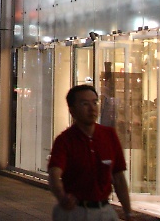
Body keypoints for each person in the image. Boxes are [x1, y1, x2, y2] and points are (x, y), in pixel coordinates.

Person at [48, 84, 133, 220]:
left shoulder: (109, 135)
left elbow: (119, 177)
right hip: (75, 211)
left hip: (104, 210)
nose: (92, 108)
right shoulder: (65, 140)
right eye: (85, 104)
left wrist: (128, 211)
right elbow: (54, 173)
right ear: (72, 110)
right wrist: (62, 196)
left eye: (94, 102)